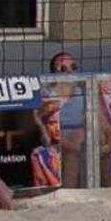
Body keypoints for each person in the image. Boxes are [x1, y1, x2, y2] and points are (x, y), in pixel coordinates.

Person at [48, 50, 86, 188]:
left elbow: (98, 121)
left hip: (78, 137)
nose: (70, 72)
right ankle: (70, 195)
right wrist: (71, 145)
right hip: (55, 138)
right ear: (54, 75)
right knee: (72, 153)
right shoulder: (48, 95)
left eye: (73, 67)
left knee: (105, 148)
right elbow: (47, 132)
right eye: (63, 69)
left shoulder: (83, 92)